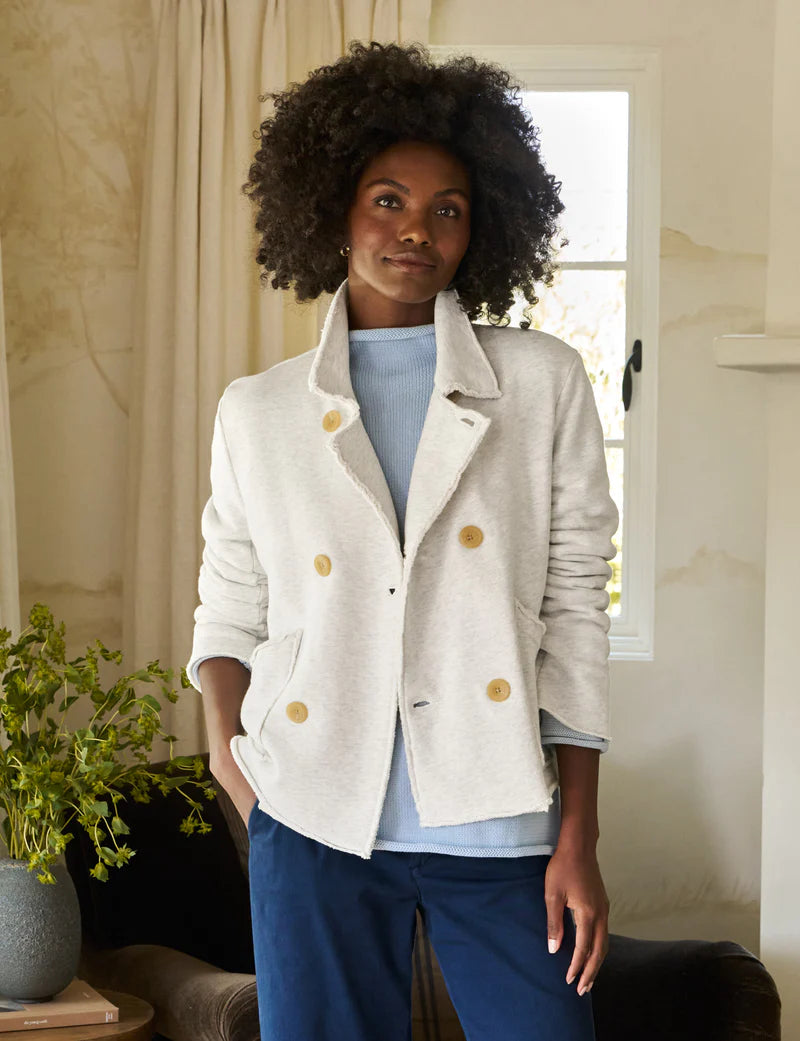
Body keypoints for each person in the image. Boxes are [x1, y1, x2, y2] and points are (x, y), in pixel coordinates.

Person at [186, 39, 618, 1041]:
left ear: (484, 228)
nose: (414, 231)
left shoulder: (541, 382)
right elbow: (227, 604)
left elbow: (571, 604)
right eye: (387, 199)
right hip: (313, 817)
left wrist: (577, 834)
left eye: (446, 209)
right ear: (332, 202)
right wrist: (228, 756)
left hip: (499, 812)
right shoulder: (258, 411)